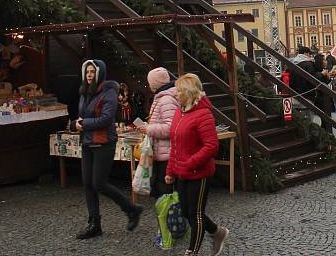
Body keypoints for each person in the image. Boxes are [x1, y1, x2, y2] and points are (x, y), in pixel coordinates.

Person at [74, 60, 143, 240]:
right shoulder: (84, 92)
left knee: (99, 183)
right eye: (87, 72)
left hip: (103, 142)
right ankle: (94, 224)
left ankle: (132, 210)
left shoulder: (109, 92)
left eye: (92, 72)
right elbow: (83, 115)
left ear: (99, 73)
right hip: (87, 142)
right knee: (88, 184)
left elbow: (106, 119)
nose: (89, 75)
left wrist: (84, 124)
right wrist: (77, 123)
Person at [164, 73, 229, 256]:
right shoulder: (180, 112)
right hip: (182, 172)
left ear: (189, 92)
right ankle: (218, 232)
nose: (176, 94)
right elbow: (175, 144)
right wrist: (171, 169)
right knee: (186, 211)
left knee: (196, 213)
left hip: (198, 173)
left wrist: (190, 163)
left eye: (179, 91)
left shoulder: (203, 114)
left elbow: (211, 146)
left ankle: (192, 251)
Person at [136, 67, 179, 199]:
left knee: (165, 193)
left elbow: (170, 128)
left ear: (154, 84)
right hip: (161, 152)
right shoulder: (162, 97)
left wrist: (148, 129)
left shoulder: (166, 99)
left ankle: (169, 218)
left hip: (166, 154)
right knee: (160, 190)